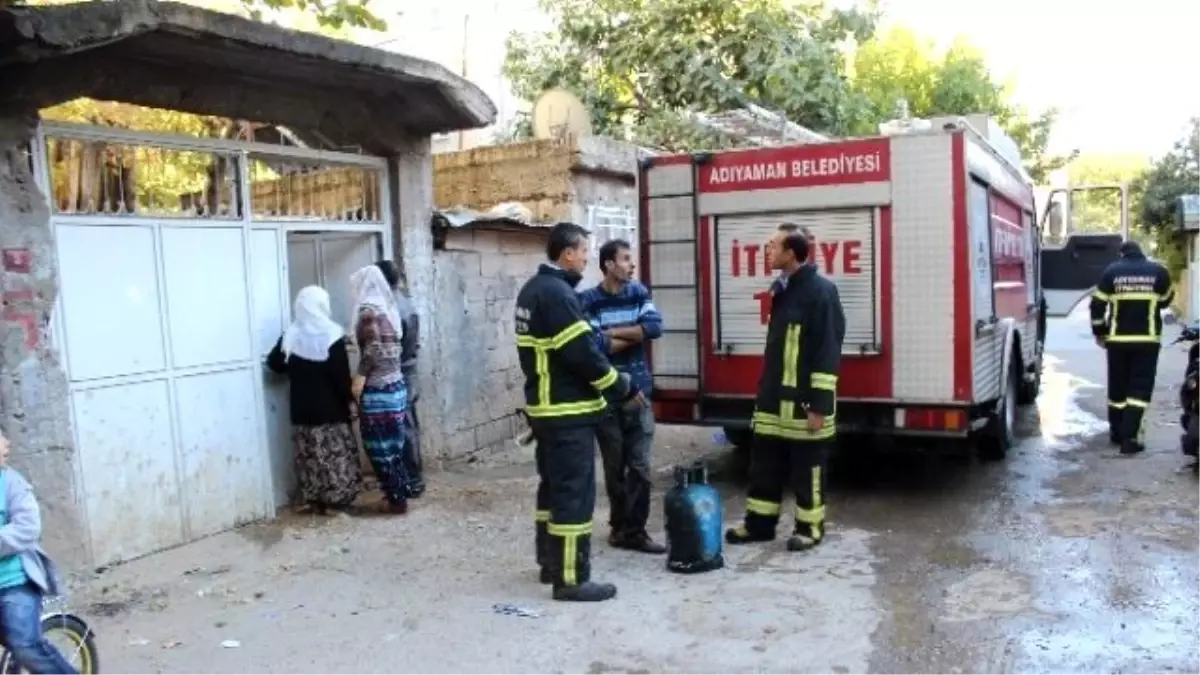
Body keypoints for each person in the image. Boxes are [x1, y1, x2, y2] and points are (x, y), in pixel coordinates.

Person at [517, 221, 642, 602]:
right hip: (567, 411)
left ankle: (550, 563)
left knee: (553, 489)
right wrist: (622, 386)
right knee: (574, 494)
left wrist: (601, 339)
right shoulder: (556, 295)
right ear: (567, 253)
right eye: (585, 251)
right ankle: (571, 578)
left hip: (547, 409)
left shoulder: (537, 290)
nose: (588, 259)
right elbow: (581, 356)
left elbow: (580, 340)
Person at [726, 222, 845, 552]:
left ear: (791, 254)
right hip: (773, 400)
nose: (767, 251)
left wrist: (820, 404)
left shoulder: (821, 292)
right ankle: (759, 526)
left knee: (808, 471)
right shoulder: (782, 289)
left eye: (772, 246)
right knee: (763, 467)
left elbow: (827, 351)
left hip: (804, 404)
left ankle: (810, 528)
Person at [578, 238, 666, 554]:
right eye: (626, 259)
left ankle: (637, 531)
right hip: (607, 397)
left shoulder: (638, 292)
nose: (632, 265)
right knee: (615, 469)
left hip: (639, 392)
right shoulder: (587, 300)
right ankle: (619, 528)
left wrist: (612, 332)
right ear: (609, 265)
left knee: (640, 466)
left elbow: (655, 328)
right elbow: (593, 346)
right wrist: (633, 331)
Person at [266, 286, 362, 514]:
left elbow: (274, 364)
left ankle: (315, 498)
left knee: (310, 455)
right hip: (331, 410)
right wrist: (349, 400)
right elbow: (340, 377)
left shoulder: (291, 335)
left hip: (302, 409)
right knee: (333, 454)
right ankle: (337, 499)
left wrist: (295, 367)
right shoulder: (333, 336)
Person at [0, 429, 76, 674]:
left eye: (3, 438)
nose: (6, 444)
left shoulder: (11, 483)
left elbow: (28, 528)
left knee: (25, 646)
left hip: (14, 581)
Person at [1089, 240, 1173, 455]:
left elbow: (1097, 305)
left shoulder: (1112, 272)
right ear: (1141, 253)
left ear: (1122, 254)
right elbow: (1166, 300)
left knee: (1118, 388)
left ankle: (1116, 433)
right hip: (1147, 341)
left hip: (1117, 341)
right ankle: (1130, 438)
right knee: (1139, 389)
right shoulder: (1159, 272)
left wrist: (1100, 332)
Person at [350, 264, 412, 514]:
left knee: (379, 448)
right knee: (394, 447)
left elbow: (373, 349)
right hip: (396, 387)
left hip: (378, 391)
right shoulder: (388, 311)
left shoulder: (368, 312)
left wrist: (359, 377)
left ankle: (395, 500)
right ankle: (399, 493)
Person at [374, 259, 425, 498]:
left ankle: (412, 480)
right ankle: (413, 478)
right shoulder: (406, 303)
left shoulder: (390, 307)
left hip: (400, 370)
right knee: (409, 424)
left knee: (403, 427)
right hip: (410, 368)